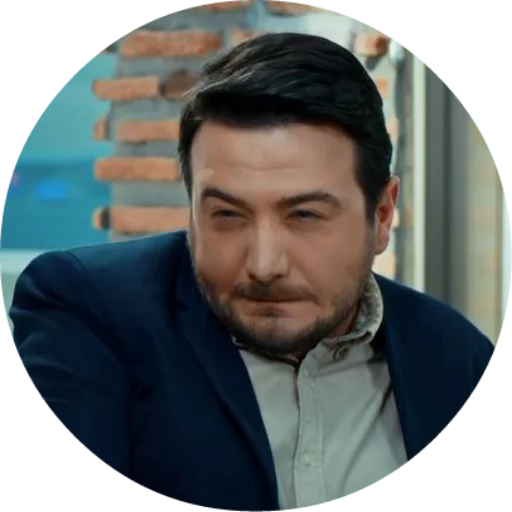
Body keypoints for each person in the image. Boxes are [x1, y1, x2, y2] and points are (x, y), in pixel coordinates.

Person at [11, 32, 494, 511]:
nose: (264, 266)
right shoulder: (90, 314)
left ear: (382, 216)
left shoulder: (456, 357)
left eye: (305, 215)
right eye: (227, 215)